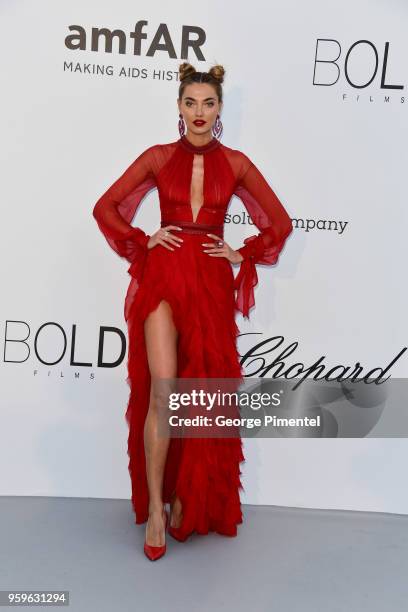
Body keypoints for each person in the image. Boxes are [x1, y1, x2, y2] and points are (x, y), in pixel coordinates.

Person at [92, 61, 293, 561]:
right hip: (164, 275)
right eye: (190, 102)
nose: (199, 112)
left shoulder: (238, 164)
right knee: (163, 391)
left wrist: (241, 251)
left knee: (198, 396)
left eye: (208, 103)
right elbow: (106, 206)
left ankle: (188, 498)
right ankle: (158, 509)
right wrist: (143, 238)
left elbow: (279, 223)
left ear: (220, 108)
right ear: (178, 107)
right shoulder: (159, 157)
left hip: (208, 280)